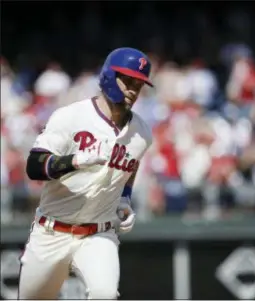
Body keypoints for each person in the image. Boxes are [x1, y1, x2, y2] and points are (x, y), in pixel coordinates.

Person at [18, 47, 154, 299]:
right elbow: (34, 166)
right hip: (51, 232)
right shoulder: (71, 116)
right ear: (108, 76)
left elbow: (131, 167)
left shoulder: (142, 133)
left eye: (139, 83)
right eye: (127, 80)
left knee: (105, 293)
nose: (133, 89)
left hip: (98, 233)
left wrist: (124, 197)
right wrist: (76, 160)